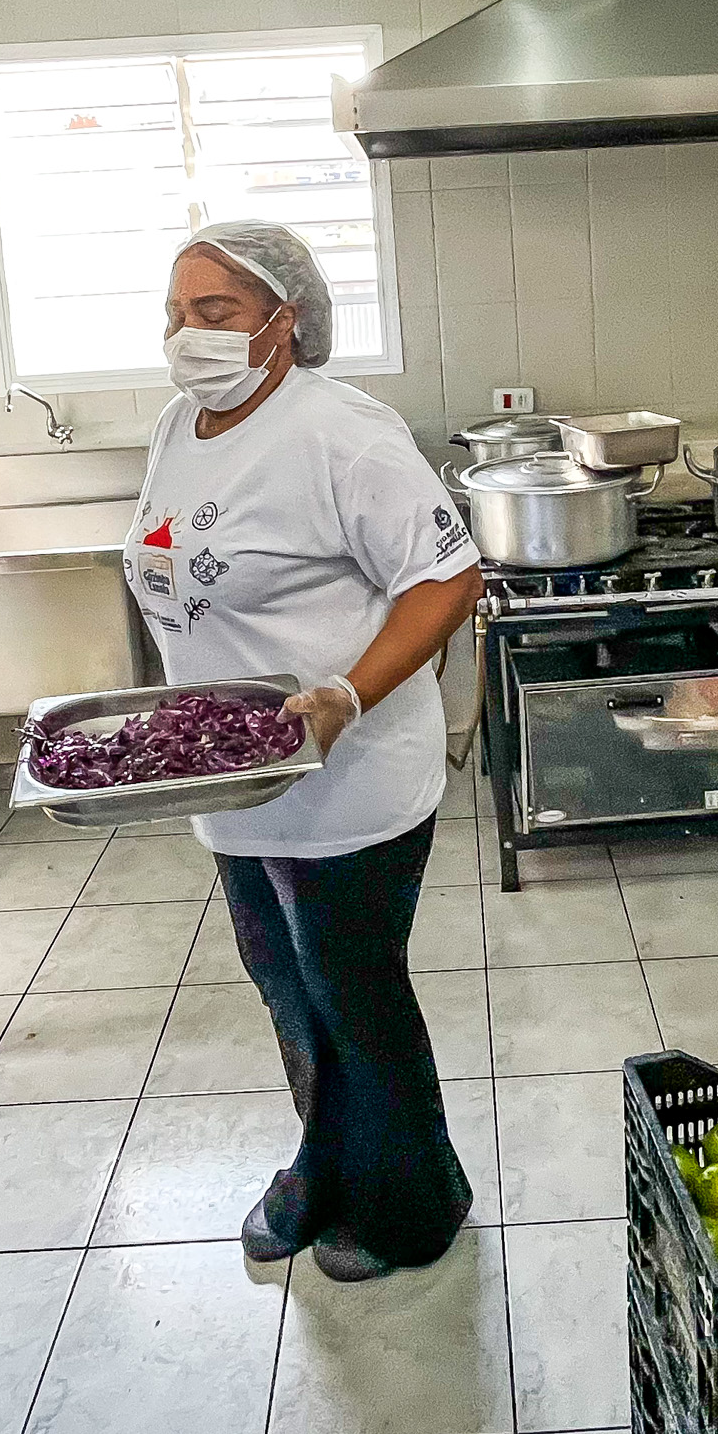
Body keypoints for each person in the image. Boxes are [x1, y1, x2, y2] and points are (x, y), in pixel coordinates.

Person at [123, 221, 485, 1282]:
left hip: (350, 781)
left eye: (216, 313)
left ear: (284, 322)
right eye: (177, 314)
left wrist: (343, 695)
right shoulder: (178, 427)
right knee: (286, 987)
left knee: (352, 993)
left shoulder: (343, 434)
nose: (188, 336)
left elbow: (447, 580)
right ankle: (324, 1168)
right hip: (237, 780)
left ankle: (415, 1207)